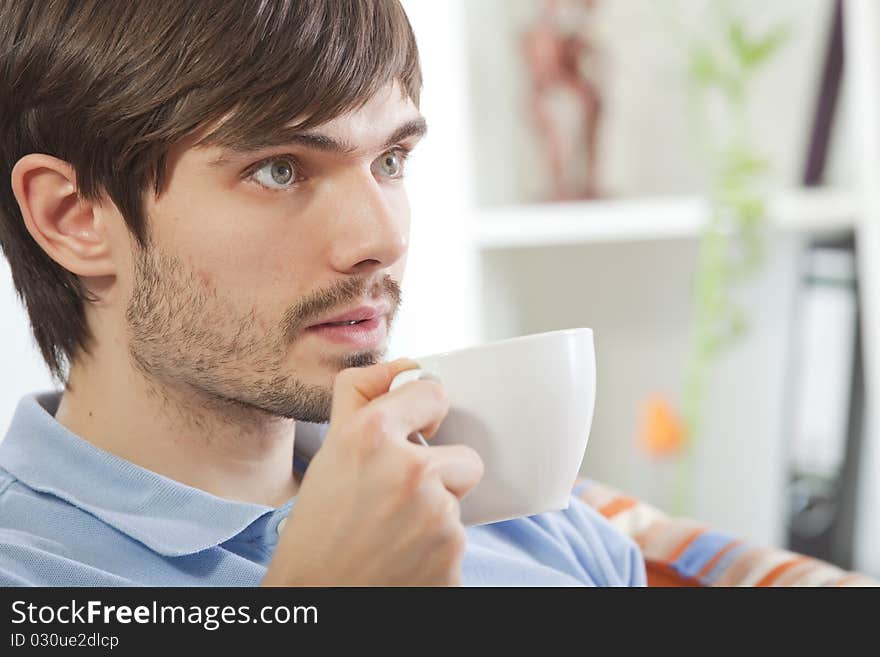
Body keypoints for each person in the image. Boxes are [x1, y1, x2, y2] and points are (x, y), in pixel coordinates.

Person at [0, 0, 645, 587]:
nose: (382, 240)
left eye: (390, 160)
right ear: (73, 217)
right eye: (279, 171)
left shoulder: (534, 527)